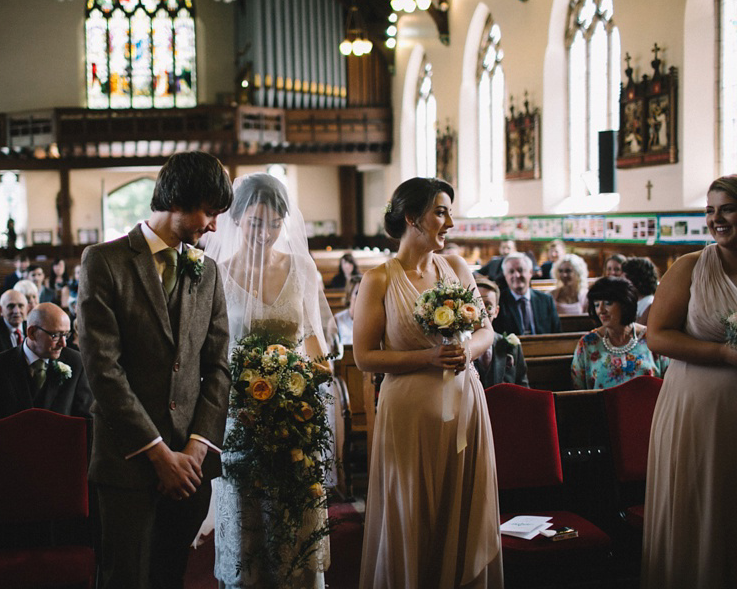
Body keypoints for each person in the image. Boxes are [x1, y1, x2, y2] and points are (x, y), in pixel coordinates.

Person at [77, 151, 234, 589]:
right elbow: (103, 370)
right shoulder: (104, 261)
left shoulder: (209, 272)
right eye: (209, 211)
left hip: (190, 465)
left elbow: (219, 366)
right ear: (178, 200)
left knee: (171, 576)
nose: (214, 225)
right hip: (128, 462)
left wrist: (196, 449)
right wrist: (159, 453)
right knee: (124, 578)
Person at [355, 178, 502, 588]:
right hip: (409, 412)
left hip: (465, 401)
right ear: (411, 218)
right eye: (441, 212)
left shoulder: (455, 267)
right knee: (414, 509)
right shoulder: (379, 280)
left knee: (463, 503)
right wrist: (429, 357)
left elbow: (487, 331)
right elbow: (364, 356)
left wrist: (466, 351)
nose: (450, 222)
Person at [204, 172, 334, 587]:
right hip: (239, 418)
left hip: (294, 415)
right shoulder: (217, 274)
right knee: (248, 521)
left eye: (275, 223)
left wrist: (312, 376)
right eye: (256, 222)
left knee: (293, 521)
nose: (265, 233)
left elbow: (314, 339)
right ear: (236, 219)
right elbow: (213, 354)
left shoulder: (302, 269)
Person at [641, 176, 737, 588]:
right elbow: (657, 335)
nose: (717, 219)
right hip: (698, 408)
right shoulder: (690, 267)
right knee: (703, 502)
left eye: (727, 209)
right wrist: (723, 354)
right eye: (709, 211)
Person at [0, 302, 94, 423]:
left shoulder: (76, 362)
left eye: (65, 335)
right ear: (32, 333)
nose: (63, 343)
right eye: (55, 335)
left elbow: (85, 420)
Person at [570, 277, 668, 390]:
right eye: (597, 305)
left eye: (608, 303)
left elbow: (669, 381)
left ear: (625, 303)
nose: (601, 310)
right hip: (602, 407)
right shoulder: (588, 343)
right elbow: (578, 389)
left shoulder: (651, 337)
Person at [474, 276, 529, 388]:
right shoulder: (459, 345)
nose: (482, 311)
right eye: (477, 304)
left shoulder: (511, 345)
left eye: (488, 305)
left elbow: (522, 385)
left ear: (496, 311)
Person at [493, 252, 561, 335]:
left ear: (530, 272)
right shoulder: (499, 302)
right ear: (505, 275)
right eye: (511, 272)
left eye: (520, 270)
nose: (517, 275)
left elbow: (557, 333)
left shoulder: (546, 300)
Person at [621, 256, 659, 324]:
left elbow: (639, 331)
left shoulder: (650, 305)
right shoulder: (635, 301)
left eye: (625, 277)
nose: (622, 281)